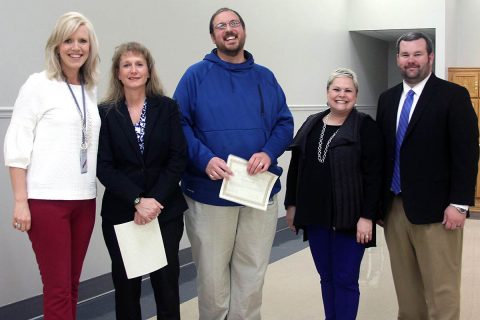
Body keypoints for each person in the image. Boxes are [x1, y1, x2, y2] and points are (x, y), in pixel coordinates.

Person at [173, 7, 294, 320]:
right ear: (213, 35)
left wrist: (268, 152)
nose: (228, 29)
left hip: (257, 193)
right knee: (213, 281)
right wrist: (204, 158)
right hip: (211, 193)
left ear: (244, 30)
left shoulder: (265, 77)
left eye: (234, 23)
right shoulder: (195, 76)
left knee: (251, 276)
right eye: (220, 25)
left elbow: (284, 123)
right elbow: (178, 125)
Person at [4, 12, 100, 320]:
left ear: (91, 46)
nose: (76, 47)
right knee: (57, 289)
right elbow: (17, 145)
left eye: (82, 41)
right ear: (56, 46)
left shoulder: (90, 88)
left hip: (84, 200)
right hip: (46, 202)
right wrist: (21, 201)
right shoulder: (38, 85)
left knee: (72, 285)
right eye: (68, 40)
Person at [376, 32, 479, 320]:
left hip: (438, 212)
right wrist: (377, 205)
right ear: (397, 59)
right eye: (405, 54)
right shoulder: (387, 99)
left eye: (417, 54)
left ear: (430, 57)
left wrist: (459, 203)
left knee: (441, 292)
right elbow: (383, 155)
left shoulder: (452, 96)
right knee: (407, 292)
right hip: (394, 209)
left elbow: (467, 153)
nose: (411, 60)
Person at [96, 42, 187, 320]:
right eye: (126, 65)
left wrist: (154, 200)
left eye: (139, 64)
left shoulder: (168, 108)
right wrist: (137, 200)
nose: (133, 70)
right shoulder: (106, 112)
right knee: (126, 288)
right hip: (122, 212)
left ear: (148, 71)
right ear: (118, 73)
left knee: (166, 285)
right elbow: (104, 166)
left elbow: (178, 158)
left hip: (165, 210)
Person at [284, 68, 383, 319]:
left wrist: (367, 216)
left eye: (348, 90)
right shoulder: (311, 123)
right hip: (315, 217)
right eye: (336, 89)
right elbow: (296, 166)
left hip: (350, 219)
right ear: (327, 93)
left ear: (356, 95)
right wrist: (291, 205)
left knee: (345, 279)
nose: (342, 95)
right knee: (326, 277)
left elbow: (375, 176)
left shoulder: (365, 127)